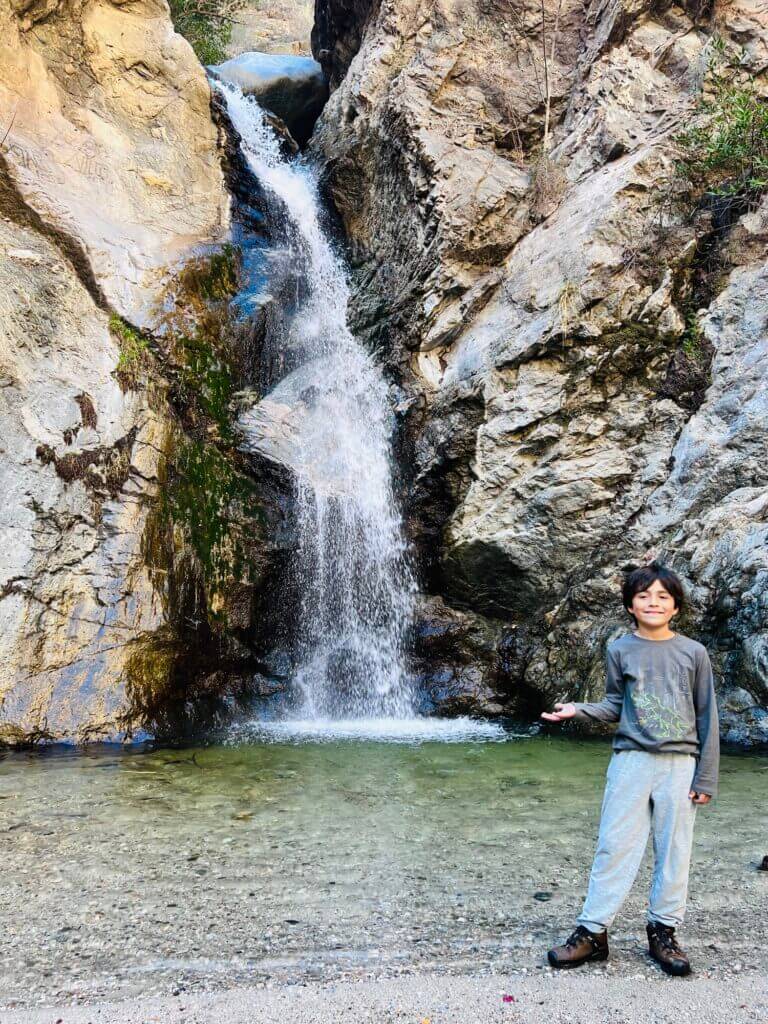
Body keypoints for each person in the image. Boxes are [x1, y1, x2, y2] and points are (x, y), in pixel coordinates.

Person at [541, 561, 719, 976]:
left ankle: (663, 931)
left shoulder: (694, 652)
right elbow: (615, 706)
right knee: (614, 846)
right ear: (630, 605)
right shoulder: (619, 649)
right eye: (643, 596)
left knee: (674, 851)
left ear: (675, 606)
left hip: (680, 764)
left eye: (662, 596)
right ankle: (593, 933)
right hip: (630, 761)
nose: (652, 603)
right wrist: (577, 710)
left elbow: (708, 715)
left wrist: (705, 776)